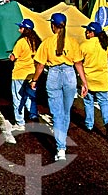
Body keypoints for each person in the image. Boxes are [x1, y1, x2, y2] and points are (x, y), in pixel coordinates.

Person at [30, 12, 88, 161]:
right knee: (66, 112)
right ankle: (62, 140)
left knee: (57, 113)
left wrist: (34, 80)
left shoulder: (47, 42)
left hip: (54, 75)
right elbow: (78, 64)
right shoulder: (73, 42)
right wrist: (84, 82)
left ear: (52, 25)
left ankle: (60, 147)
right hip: (70, 75)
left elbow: (40, 66)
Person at [80, 22, 108, 137]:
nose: (86, 32)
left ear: (92, 33)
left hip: (88, 80)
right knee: (104, 102)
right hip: (102, 80)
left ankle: (89, 125)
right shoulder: (105, 45)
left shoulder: (84, 45)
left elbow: (77, 61)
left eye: (87, 31)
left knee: (88, 102)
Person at [9, 19, 41, 132]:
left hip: (19, 74)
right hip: (32, 74)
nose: (19, 29)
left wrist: (10, 56)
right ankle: (33, 114)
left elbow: (13, 57)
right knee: (29, 97)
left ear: (25, 29)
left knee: (18, 98)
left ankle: (20, 122)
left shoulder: (21, 42)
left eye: (21, 27)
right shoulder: (36, 42)